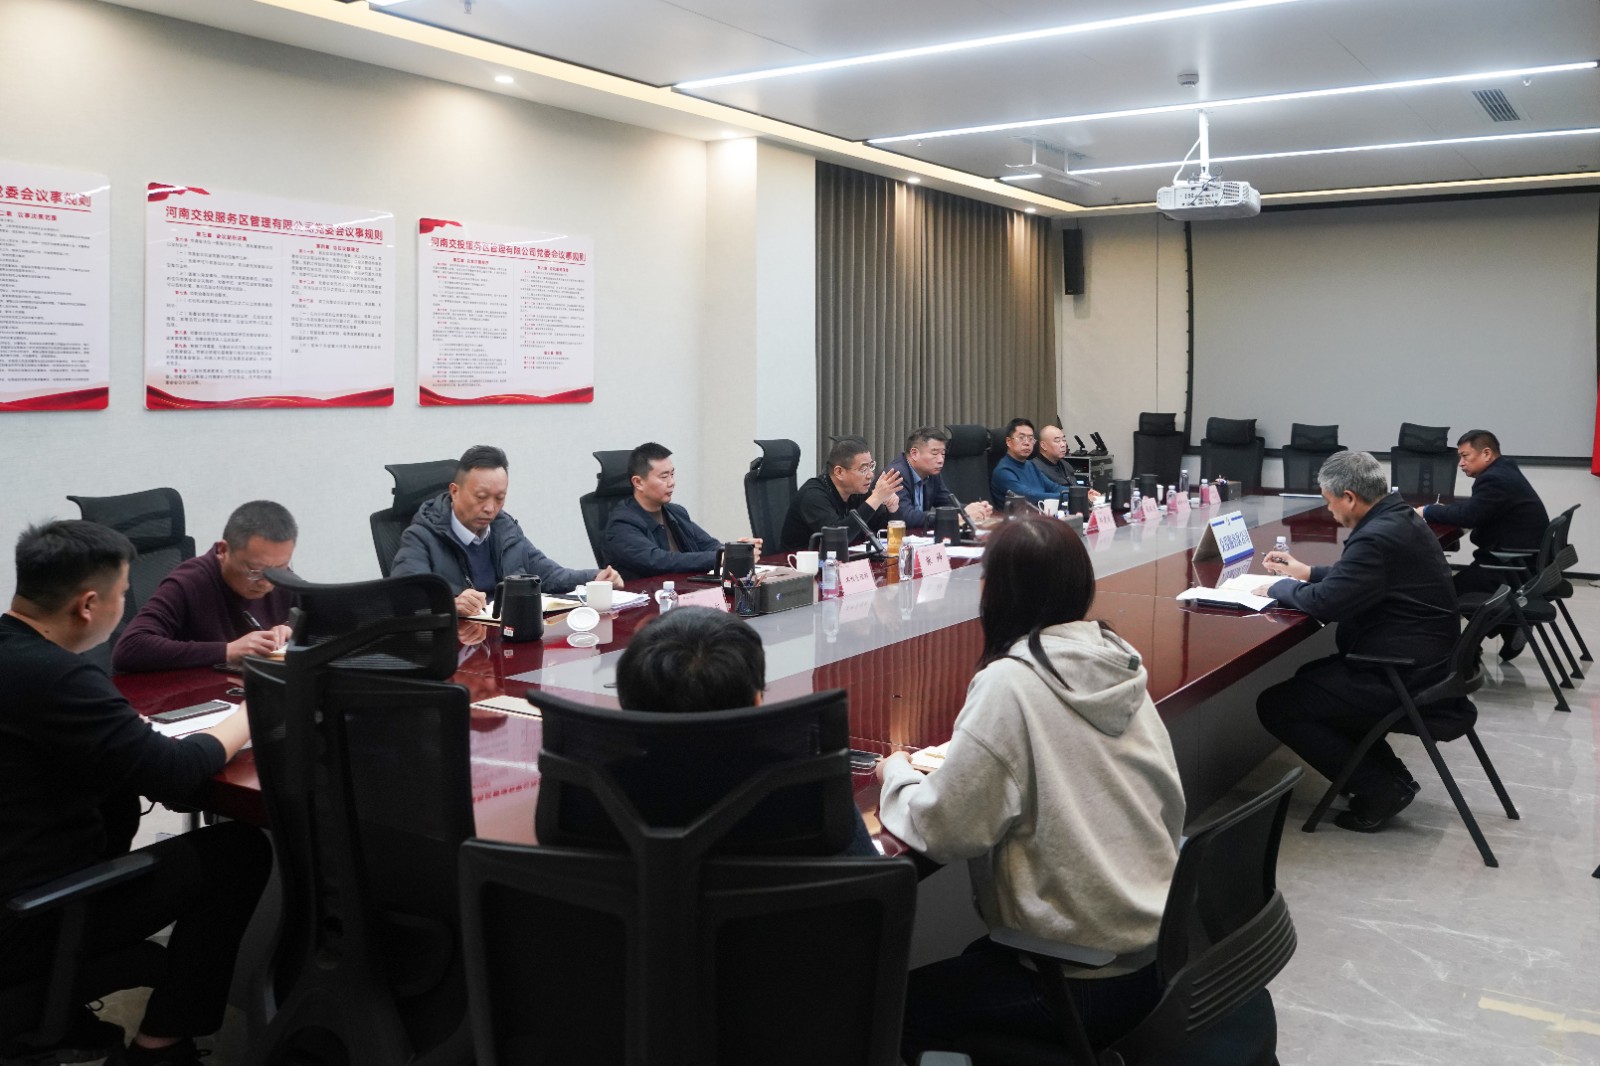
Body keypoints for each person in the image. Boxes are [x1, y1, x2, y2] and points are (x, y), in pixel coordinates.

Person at [875, 515, 1185, 1060]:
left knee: (885, 1013)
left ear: (992, 594)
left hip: (1083, 977)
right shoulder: (1115, 658)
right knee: (971, 963)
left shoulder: (1011, 683)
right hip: (1156, 948)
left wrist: (895, 776)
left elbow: (945, 829)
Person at [0, 521, 268, 1066]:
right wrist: (253, 711)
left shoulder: (19, 659)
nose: (126, 607)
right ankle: (160, 1048)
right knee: (238, 853)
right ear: (88, 605)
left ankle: (71, 1021)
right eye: (124, 595)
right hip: (31, 920)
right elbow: (174, 773)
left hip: (14, 889)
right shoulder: (59, 678)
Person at [1255, 450, 1463, 833]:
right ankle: (1391, 779)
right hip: (1429, 663)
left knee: (1277, 705)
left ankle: (1381, 789)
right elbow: (1360, 577)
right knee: (1311, 679)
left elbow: (1327, 603)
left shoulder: (1377, 536)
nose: (1329, 510)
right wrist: (1308, 572)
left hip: (1404, 674)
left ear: (1349, 497)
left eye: (1329, 501)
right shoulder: (1398, 518)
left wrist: (1276, 587)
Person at [608, 606, 877, 856]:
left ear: (627, 706)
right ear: (757, 701)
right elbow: (867, 880)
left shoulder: (598, 788)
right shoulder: (808, 788)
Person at [392, 444, 623, 616]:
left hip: (507, 637)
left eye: (499, 498)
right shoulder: (421, 536)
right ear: (454, 491)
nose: (490, 508)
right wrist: (450, 605)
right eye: (481, 497)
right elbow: (405, 599)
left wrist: (595, 578)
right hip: (458, 645)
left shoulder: (505, 528)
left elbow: (549, 575)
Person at [113, 500, 298, 673]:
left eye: (280, 568)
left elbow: (314, 624)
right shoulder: (189, 582)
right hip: (196, 689)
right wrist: (227, 650)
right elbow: (130, 648)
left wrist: (293, 630)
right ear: (223, 550)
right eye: (255, 570)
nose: (267, 582)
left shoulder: (283, 579)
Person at [1415, 429, 1548, 659]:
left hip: (1509, 566)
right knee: (1450, 588)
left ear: (1486, 454)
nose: (1461, 463)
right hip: (1522, 561)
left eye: (1465, 456)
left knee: (1443, 594)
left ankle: (1462, 655)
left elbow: (1470, 516)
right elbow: (1474, 509)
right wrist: (1443, 510)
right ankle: (1508, 626)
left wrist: (1427, 511)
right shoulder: (1504, 470)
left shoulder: (1494, 479)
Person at [602, 441, 761, 581]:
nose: (671, 482)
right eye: (664, 477)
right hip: (648, 599)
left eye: (672, 474)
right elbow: (659, 561)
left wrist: (738, 551)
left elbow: (709, 545)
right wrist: (723, 557)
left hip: (685, 591)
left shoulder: (676, 512)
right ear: (638, 482)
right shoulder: (621, 524)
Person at [779, 436, 903, 553]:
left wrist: (892, 509)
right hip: (796, 563)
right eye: (863, 469)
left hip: (844, 560)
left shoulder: (858, 491)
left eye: (871, 466)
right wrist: (876, 498)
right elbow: (838, 539)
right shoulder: (812, 495)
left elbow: (882, 532)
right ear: (839, 472)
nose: (870, 475)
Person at [884, 427, 993, 532]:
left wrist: (975, 509)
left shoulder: (932, 473)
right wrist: (959, 516)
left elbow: (947, 503)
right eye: (935, 453)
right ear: (914, 453)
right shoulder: (895, 474)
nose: (941, 460)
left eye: (943, 454)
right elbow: (906, 518)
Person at [989, 418, 1062, 506]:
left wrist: (1075, 492)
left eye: (1031, 439)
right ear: (1008, 442)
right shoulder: (1003, 471)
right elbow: (1029, 497)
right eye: (1021, 438)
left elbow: (1054, 488)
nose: (1027, 443)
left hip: (1041, 512)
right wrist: (1067, 496)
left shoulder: (1031, 466)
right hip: (1018, 514)